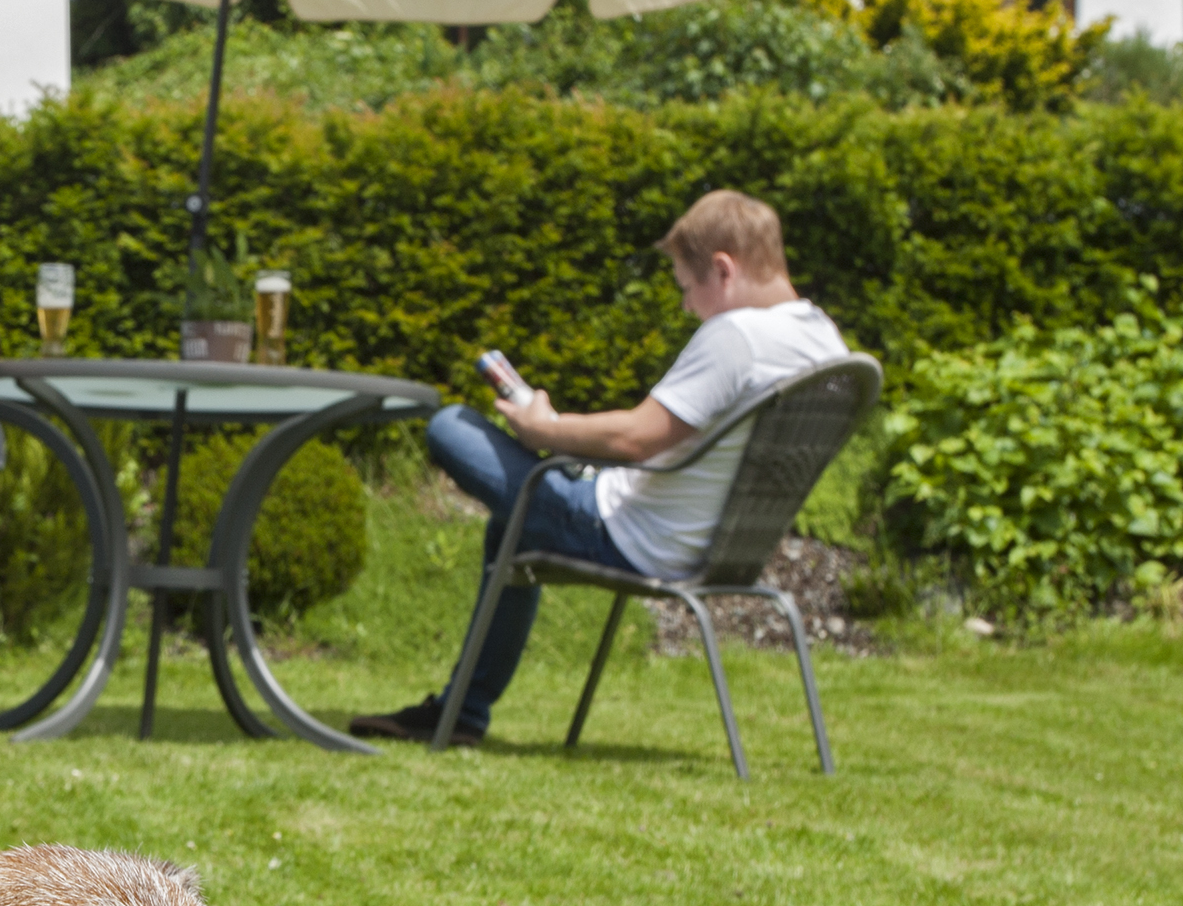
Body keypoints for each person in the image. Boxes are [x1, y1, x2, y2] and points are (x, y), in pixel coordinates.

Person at [351, 190, 847, 746]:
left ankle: (463, 713)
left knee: (451, 427)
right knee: (512, 529)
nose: (687, 307)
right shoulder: (825, 341)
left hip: (631, 535)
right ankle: (461, 712)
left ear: (723, 270)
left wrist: (544, 428)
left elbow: (636, 439)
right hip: (717, 545)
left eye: (687, 288)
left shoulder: (738, 337)